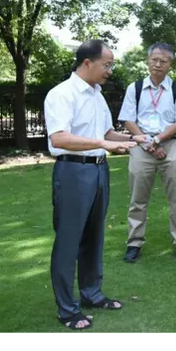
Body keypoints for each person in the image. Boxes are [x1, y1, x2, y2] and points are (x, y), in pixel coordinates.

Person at [44, 40, 144, 330]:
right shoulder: (62, 94)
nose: (110, 70)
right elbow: (59, 138)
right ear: (87, 63)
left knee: (94, 236)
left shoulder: (97, 95)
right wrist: (102, 142)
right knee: (69, 240)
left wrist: (133, 138)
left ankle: (91, 294)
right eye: (107, 64)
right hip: (72, 172)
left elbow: (106, 133)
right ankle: (67, 309)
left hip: (99, 171)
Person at [118, 43, 176, 263]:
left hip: (170, 145)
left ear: (170, 64)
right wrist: (147, 143)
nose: (158, 64)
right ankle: (134, 242)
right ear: (148, 60)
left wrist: (158, 140)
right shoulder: (135, 88)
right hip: (142, 145)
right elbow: (128, 119)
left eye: (163, 61)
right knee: (138, 198)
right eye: (154, 60)